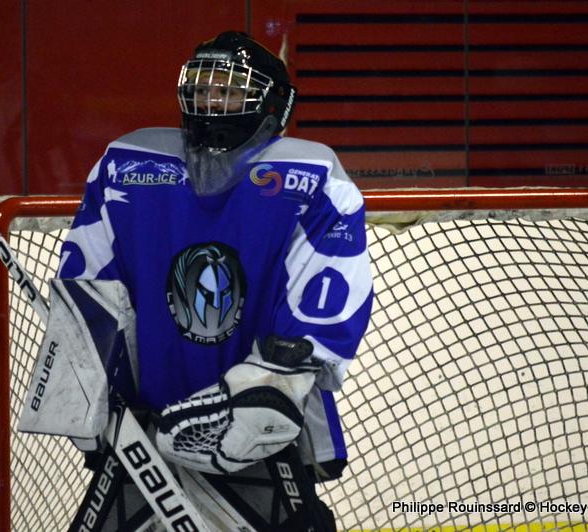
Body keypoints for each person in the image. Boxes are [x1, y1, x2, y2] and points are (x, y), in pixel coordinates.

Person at [21, 30, 373, 531]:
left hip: (257, 437)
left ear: (273, 105)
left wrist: (266, 393)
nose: (211, 102)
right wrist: (87, 388)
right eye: (203, 89)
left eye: (228, 92)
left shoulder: (314, 177)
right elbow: (88, 288)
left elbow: (324, 307)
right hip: (141, 426)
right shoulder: (124, 165)